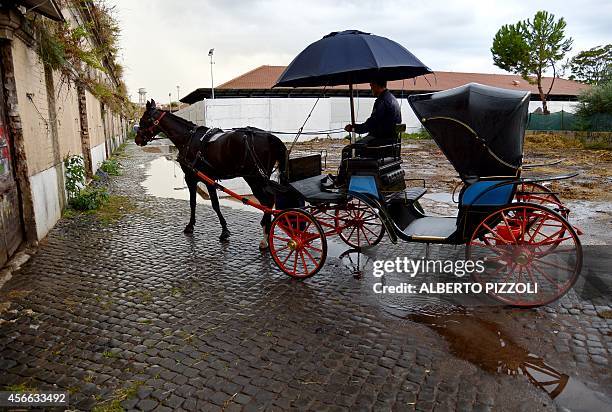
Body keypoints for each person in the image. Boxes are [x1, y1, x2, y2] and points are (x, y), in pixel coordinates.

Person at [341, 78, 402, 162]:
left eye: (371, 85)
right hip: (392, 141)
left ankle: (345, 174)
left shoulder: (382, 101)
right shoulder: (392, 98)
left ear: (376, 85)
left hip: (381, 140)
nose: (371, 88)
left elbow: (371, 124)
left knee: (348, 150)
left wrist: (354, 128)